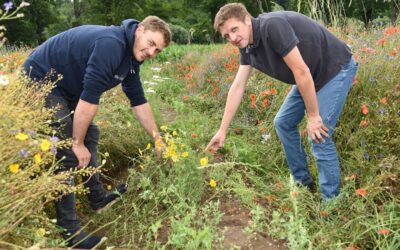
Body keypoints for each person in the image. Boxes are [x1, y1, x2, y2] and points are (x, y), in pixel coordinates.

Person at [23, 16, 171, 248]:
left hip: (65, 87)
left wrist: (158, 140)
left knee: (90, 134)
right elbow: (90, 98)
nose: (152, 52)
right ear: (139, 30)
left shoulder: (132, 58)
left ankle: (98, 198)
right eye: (151, 43)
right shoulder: (110, 44)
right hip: (40, 80)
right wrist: (76, 142)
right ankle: (69, 230)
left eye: (158, 50)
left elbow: (138, 100)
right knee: (67, 148)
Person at [206, 3, 358, 201]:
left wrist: (313, 116)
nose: (232, 38)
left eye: (234, 29)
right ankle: (303, 184)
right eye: (226, 36)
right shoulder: (247, 46)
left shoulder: (272, 27)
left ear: (246, 20)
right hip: (309, 75)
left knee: (319, 135)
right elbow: (237, 87)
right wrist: (222, 130)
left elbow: (301, 71)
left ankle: (331, 203)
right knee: (283, 123)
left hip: (334, 69)